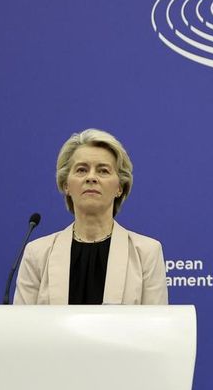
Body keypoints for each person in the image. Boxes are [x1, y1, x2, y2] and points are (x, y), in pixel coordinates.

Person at [14, 129, 168, 305]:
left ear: (119, 187)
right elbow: (22, 322)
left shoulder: (146, 253)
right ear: (66, 185)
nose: (91, 177)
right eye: (81, 170)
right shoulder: (37, 254)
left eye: (103, 171)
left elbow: (156, 323)